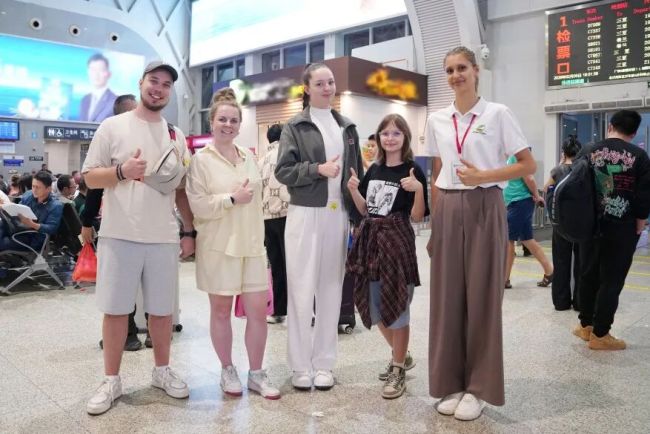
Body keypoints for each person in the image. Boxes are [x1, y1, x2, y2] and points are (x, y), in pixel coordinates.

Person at [425, 46, 536, 421]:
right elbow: (438, 171)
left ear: (476, 71)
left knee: (482, 298)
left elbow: (527, 164)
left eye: (462, 68)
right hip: (447, 208)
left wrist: (484, 176)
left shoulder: (497, 114)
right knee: (447, 299)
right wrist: (435, 224)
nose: (455, 75)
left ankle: (478, 388)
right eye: (449, 70)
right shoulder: (437, 119)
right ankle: (451, 382)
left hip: (486, 204)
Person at [82, 61, 195, 415]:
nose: (158, 88)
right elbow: (89, 177)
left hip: (163, 236)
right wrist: (121, 171)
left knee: (162, 311)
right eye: (153, 81)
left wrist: (189, 231)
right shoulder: (113, 126)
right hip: (119, 234)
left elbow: (180, 189)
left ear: (170, 91)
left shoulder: (176, 135)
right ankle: (111, 380)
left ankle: (162, 371)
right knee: (116, 310)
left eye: (166, 84)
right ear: (141, 83)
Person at [186, 87, 280, 400]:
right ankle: (227, 369)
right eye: (223, 119)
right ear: (212, 122)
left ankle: (257, 372)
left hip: (252, 245)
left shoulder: (250, 157)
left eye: (234, 120)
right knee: (221, 311)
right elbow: (198, 205)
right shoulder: (201, 161)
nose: (228, 124)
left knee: (258, 312)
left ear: (240, 125)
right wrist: (231, 199)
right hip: (218, 246)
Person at [275, 62, 363, 391]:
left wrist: (356, 207)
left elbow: (357, 173)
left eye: (331, 82)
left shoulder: (347, 127)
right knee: (301, 289)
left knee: (331, 289)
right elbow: (283, 171)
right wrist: (317, 169)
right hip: (305, 213)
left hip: (337, 214)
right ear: (307, 89)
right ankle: (300, 365)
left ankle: (324, 363)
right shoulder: (295, 126)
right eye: (320, 83)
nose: (327, 88)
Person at [346, 113, 429, 399]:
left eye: (396, 133)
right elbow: (365, 210)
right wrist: (354, 190)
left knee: (398, 305)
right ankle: (401, 355)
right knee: (374, 306)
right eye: (385, 133)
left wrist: (418, 190)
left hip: (397, 243)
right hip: (371, 242)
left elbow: (417, 216)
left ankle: (398, 367)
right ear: (379, 138)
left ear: (405, 137)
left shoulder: (412, 170)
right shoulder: (375, 169)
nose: (390, 138)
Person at [573, 110, 650, 350]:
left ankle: (585, 326)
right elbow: (643, 197)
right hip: (622, 227)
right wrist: (640, 224)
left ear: (610, 126)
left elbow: (576, 186)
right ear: (634, 133)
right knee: (612, 280)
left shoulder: (588, 151)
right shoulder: (639, 156)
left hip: (589, 224)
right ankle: (601, 334)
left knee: (588, 273)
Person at [84, 93, 142, 353]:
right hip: (121, 224)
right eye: (132, 110)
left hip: (149, 224)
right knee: (122, 284)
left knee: (144, 283)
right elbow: (95, 185)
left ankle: (147, 332)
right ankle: (129, 333)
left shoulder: (154, 132)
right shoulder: (110, 135)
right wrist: (87, 221)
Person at [503, 149, 553, 289]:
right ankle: (550, 271)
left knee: (508, 240)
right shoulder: (509, 158)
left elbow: (529, 178)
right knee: (527, 240)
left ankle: (504, 279)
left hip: (519, 203)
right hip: (517, 203)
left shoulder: (517, 156)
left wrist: (537, 196)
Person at [544, 136, 582, 311]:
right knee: (581, 263)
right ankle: (580, 301)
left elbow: (546, 189)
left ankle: (561, 301)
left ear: (563, 152)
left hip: (560, 224)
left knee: (560, 262)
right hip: (580, 224)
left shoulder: (557, 171)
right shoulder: (583, 170)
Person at [258, 123, 290, 324]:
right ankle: (300, 311)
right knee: (293, 265)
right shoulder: (289, 155)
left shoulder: (260, 161)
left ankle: (278, 311)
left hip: (267, 218)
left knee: (276, 265)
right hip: (289, 215)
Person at [0, 171, 63, 252]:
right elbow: (18, 208)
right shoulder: (29, 195)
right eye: (33, 186)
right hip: (18, 228)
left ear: (48, 189)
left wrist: (32, 224)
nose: (34, 190)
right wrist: (6, 207)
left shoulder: (56, 205)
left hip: (32, 237)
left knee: (2, 243)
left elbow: (52, 228)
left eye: (38, 187)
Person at [79, 53, 117, 123]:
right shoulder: (85, 100)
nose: (96, 74)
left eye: (101, 70)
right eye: (93, 70)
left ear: (108, 74)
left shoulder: (115, 102)